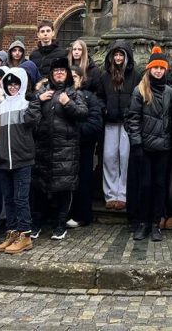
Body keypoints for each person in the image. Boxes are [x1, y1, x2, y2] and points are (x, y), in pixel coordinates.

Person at [31, 57, 89, 240]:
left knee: (63, 189)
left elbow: (83, 114)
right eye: (56, 71)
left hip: (66, 151)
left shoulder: (74, 94)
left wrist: (67, 103)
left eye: (62, 71)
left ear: (67, 74)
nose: (59, 74)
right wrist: (38, 100)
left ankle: (60, 225)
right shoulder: (43, 92)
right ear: (51, 74)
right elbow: (30, 117)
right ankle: (36, 225)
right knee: (40, 189)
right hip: (44, 149)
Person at [125, 45, 172, 241]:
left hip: (163, 147)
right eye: (155, 68)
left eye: (161, 68)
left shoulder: (169, 91)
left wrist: (171, 139)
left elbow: (171, 117)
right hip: (145, 147)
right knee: (145, 185)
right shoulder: (140, 90)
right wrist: (137, 143)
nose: (158, 71)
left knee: (160, 185)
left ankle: (156, 223)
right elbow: (133, 119)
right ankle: (143, 222)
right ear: (149, 69)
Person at [0, 67, 40, 255]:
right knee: (9, 199)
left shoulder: (27, 104)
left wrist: (34, 102)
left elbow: (33, 121)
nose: (12, 87)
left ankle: (25, 234)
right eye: (9, 84)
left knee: (21, 199)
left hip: (23, 159)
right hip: (4, 160)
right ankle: (12, 232)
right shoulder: (1, 106)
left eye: (16, 84)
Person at [97, 43, 137, 211]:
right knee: (109, 157)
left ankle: (123, 194)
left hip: (127, 122)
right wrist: (105, 109)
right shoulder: (105, 76)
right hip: (111, 121)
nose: (118, 58)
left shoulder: (134, 75)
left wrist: (131, 111)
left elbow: (137, 95)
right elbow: (99, 96)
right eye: (116, 55)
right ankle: (111, 194)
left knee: (125, 157)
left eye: (121, 55)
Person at [69, 47, 104, 229]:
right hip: (65, 146)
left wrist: (76, 131)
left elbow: (95, 123)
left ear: (82, 79)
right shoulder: (62, 96)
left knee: (83, 179)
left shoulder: (90, 98)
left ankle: (82, 215)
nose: (72, 80)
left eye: (75, 77)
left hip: (83, 145)